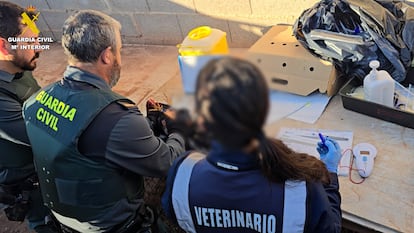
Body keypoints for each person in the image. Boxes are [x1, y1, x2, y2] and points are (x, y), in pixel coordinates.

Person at [22, 10, 186, 233]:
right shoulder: (116, 116)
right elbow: (165, 163)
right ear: (107, 55)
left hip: (64, 220)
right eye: (119, 50)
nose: (120, 56)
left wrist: (146, 126)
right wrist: (178, 129)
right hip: (114, 225)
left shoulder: (34, 102)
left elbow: (92, 146)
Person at [162, 57, 342, 233]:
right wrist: (330, 173)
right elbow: (331, 228)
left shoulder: (182, 172)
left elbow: (174, 214)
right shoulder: (301, 190)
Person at [0, 1, 58, 232]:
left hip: (44, 169)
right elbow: (43, 135)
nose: (39, 48)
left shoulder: (17, 70)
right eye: (30, 42)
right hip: (29, 185)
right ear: (4, 46)